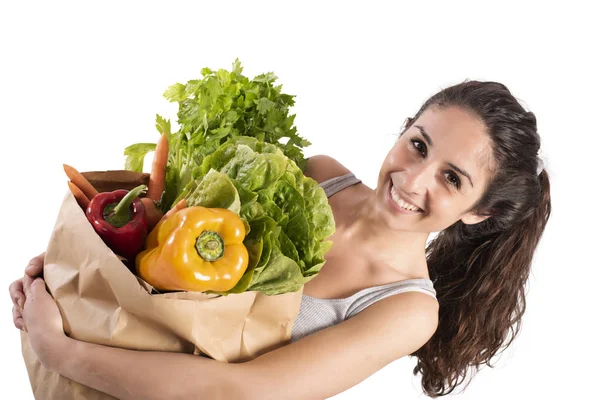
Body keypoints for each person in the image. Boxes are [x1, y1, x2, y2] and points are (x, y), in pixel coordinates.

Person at [9, 80, 551, 399]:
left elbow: (246, 392)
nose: (413, 179)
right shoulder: (316, 174)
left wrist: (61, 350)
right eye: (418, 144)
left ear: (480, 213)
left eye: (451, 179)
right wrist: (68, 270)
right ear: (405, 127)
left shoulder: (406, 310)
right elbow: (166, 229)